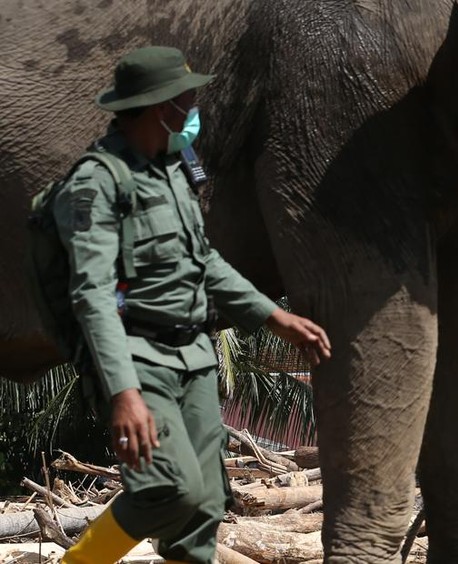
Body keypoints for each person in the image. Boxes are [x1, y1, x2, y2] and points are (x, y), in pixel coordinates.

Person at [55, 46, 332, 564]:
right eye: (189, 100)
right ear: (163, 108)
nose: (196, 110)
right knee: (169, 492)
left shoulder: (175, 172)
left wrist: (274, 317)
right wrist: (123, 392)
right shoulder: (97, 182)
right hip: (139, 361)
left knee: (203, 506)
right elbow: (91, 296)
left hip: (195, 358)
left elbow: (203, 262)